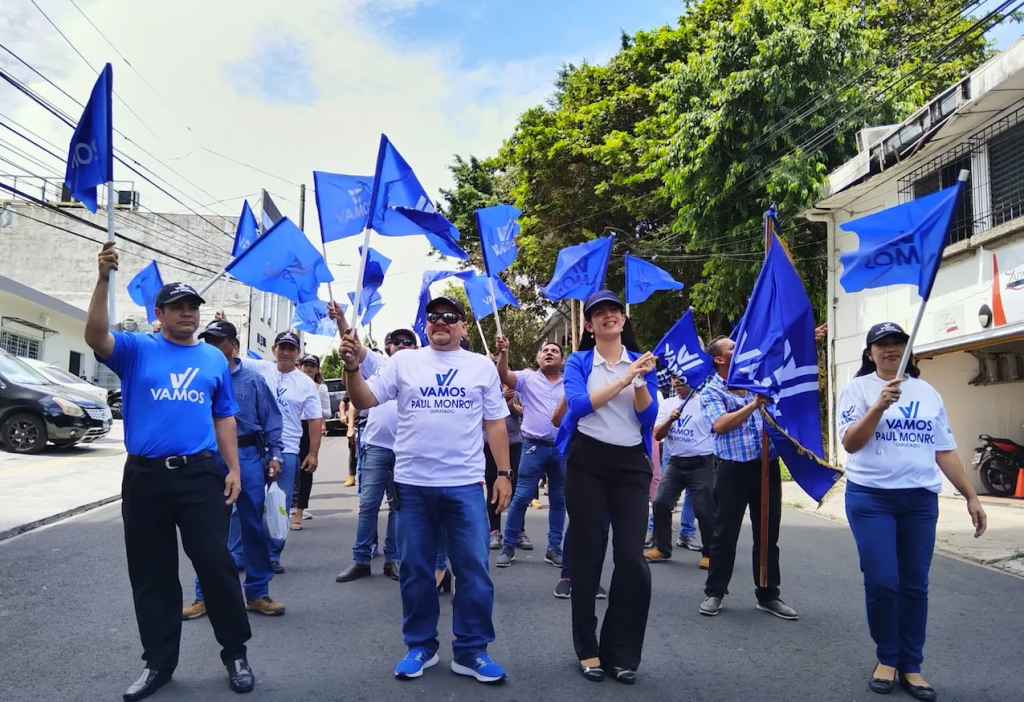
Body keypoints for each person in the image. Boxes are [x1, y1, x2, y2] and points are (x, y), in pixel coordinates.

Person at [84, 243, 255, 699]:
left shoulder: (213, 358)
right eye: (177, 307)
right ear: (158, 314)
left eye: (192, 307)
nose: (187, 313)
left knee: (215, 564)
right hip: (145, 478)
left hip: (199, 475)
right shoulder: (136, 349)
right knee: (151, 572)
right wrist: (102, 278)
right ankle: (158, 664)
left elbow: (224, 416)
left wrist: (233, 469)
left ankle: (235, 653)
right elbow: (96, 336)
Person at [340, 295, 513, 684]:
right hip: (413, 485)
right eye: (433, 316)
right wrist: (352, 368)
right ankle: (420, 646)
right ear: (426, 325)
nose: (440, 321)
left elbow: (495, 423)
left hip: (465, 484)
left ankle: (472, 651)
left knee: (473, 571)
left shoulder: (480, 366)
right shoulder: (404, 362)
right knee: (416, 570)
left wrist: (504, 473)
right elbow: (365, 398)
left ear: (463, 326)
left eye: (450, 316)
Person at [838, 322, 987, 700]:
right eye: (882, 344)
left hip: (919, 502)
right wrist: (878, 406)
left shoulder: (928, 393)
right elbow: (851, 443)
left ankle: (911, 663)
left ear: (908, 351)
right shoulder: (858, 389)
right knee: (883, 581)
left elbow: (944, 451)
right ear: (870, 353)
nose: (891, 349)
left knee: (914, 585)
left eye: (898, 343)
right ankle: (886, 657)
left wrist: (970, 496)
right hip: (871, 499)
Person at [557, 290, 658, 685]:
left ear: (623, 318)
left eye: (614, 310)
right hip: (588, 462)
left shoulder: (641, 361)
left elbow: (648, 417)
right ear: (589, 324)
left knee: (632, 557)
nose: (608, 316)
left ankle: (621, 652)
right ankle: (588, 648)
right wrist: (624, 379)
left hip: (631, 464)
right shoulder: (579, 361)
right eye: (599, 312)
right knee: (588, 555)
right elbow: (579, 405)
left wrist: (638, 380)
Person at [182, 320, 286, 621]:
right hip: (209, 458)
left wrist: (275, 455)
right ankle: (204, 596)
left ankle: (257, 593)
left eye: (218, 340)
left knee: (252, 527)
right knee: (209, 530)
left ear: (234, 345)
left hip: (247, 457)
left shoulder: (252, 380)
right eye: (208, 340)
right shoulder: (198, 376)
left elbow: (271, 420)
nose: (212, 346)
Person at [698, 335, 796, 621]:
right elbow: (720, 425)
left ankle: (768, 594)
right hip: (732, 470)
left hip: (766, 467)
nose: (739, 348)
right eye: (732, 347)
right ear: (719, 359)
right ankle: (715, 592)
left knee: (767, 534)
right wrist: (752, 405)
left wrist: (801, 338)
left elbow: (779, 354)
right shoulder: (712, 390)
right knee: (724, 534)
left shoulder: (758, 380)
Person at [228, 324, 323, 574]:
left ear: (297, 353)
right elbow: (231, 355)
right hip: (255, 448)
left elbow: (315, 420)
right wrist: (227, 331)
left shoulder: (306, 383)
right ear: (274, 349)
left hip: (288, 449)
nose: (286, 353)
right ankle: (236, 554)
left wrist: (313, 453)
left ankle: (271, 555)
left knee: (278, 505)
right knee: (241, 502)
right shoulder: (260, 368)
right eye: (282, 348)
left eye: (291, 349)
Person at [332, 323, 420, 583]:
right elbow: (353, 346)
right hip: (376, 446)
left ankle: (393, 559)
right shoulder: (380, 363)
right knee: (368, 505)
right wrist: (341, 320)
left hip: (405, 450)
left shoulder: (423, 369)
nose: (402, 345)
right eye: (397, 341)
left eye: (407, 342)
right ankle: (361, 559)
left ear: (416, 347)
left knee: (398, 508)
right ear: (388, 347)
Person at [494, 336, 566, 568]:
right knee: (522, 497)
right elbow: (503, 376)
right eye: (545, 350)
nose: (549, 353)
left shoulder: (570, 383)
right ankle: (508, 545)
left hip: (562, 449)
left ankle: (554, 548)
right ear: (537, 358)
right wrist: (504, 353)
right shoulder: (527, 378)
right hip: (533, 447)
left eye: (554, 350)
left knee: (558, 500)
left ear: (562, 360)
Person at [646, 375, 715, 568]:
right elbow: (657, 434)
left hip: (702, 462)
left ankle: (710, 553)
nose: (677, 382)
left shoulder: (705, 403)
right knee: (660, 502)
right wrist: (670, 419)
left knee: (704, 509)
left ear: (694, 380)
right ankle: (662, 548)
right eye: (674, 378)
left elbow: (717, 429)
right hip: (675, 462)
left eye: (682, 378)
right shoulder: (667, 404)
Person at [291, 354, 331, 528]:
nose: (308, 369)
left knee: (305, 470)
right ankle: (283, 509)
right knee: (287, 469)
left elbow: (327, 413)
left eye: (312, 366)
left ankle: (299, 512)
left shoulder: (320, 388)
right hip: (290, 428)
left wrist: (312, 406)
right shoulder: (291, 383)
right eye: (305, 365)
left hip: (309, 428)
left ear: (317, 369)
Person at [485, 385, 523, 550]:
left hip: (515, 444)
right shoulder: (487, 389)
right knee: (492, 487)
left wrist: (510, 404)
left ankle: (518, 531)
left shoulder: (516, 391)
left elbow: (526, 415)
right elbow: (480, 418)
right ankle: (494, 531)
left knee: (517, 490)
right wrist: (500, 399)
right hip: (490, 445)